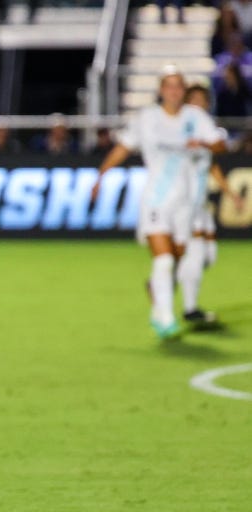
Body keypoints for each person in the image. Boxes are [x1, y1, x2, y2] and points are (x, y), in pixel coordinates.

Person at [91, 67, 226, 339]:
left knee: (176, 256)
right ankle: (164, 317)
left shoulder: (195, 117)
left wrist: (203, 143)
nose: (174, 91)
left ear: (183, 90)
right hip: (156, 200)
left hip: (186, 203)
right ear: (161, 89)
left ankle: (159, 300)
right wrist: (101, 175)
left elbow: (220, 145)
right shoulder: (147, 118)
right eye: (169, 85)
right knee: (164, 260)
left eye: (178, 86)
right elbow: (124, 147)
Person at [181, 83, 241, 326]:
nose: (199, 104)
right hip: (184, 201)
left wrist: (230, 193)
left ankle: (173, 276)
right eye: (194, 99)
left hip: (200, 202)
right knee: (195, 252)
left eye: (202, 100)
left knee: (209, 256)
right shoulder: (180, 128)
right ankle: (190, 308)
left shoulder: (204, 131)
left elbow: (212, 164)